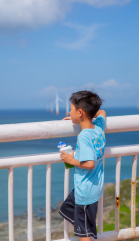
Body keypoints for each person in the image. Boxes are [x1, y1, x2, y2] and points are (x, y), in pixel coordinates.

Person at [59, 90, 106, 240]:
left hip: (85, 191)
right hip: (91, 187)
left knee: (83, 233)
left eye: (71, 109)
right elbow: (102, 112)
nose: (68, 112)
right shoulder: (98, 128)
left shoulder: (84, 137)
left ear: (80, 112)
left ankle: (83, 233)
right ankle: (81, 228)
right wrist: (82, 116)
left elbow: (90, 163)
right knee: (66, 208)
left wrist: (71, 160)